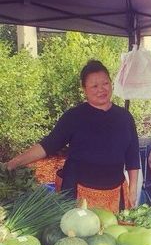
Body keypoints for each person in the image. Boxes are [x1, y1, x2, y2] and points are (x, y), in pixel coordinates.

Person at [6, 59, 140, 212]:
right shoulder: (74, 116)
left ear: (111, 83)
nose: (101, 89)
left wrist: (133, 189)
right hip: (77, 191)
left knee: (112, 234)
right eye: (94, 86)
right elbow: (48, 145)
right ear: (84, 89)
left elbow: (132, 157)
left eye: (105, 83)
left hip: (115, 193)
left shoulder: (125, 117)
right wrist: (14, 163)